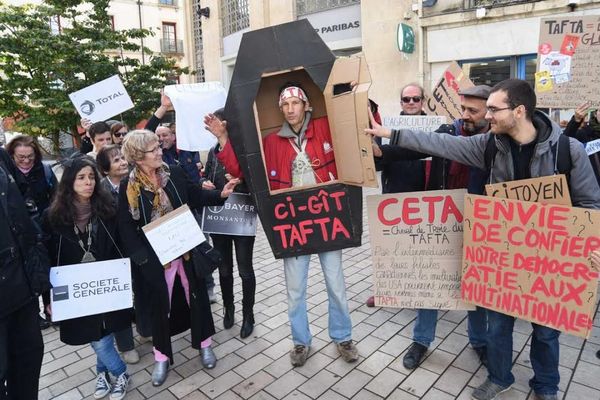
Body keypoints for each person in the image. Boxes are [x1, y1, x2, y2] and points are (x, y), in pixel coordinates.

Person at [366, 79, 600, 400]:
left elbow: (591, 204)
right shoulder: (489, 145)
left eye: (493, 109)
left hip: (550, 259)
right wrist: (393, 133)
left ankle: (546, 386)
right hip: (503, 256)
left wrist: (592, 244)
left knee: (546, 332)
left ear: (519, 111)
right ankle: (499, 377)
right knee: (499, 326)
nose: (487, 116)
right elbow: (440, 145)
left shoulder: (567, 151)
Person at [205, 82, 359, 367]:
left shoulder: (326, 129)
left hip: (329, 220)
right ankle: (301, 341)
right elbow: (242, 171)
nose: (290, 110)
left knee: (336, 285)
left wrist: (351, 97)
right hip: (293, 225)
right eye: (285, 105)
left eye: (295, 103)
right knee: (295, 290)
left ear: (306, 105)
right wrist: (224, 139)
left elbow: (354, 134)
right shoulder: (271, 143)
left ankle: (342, 336)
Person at [372, 85, 493, 370]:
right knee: (431, 280)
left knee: (475, 285)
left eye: (472, 111)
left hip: (480, 222)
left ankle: (480, 342)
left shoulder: (497, 142)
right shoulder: (448, 132)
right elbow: (415, 147)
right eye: (463, 108)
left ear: (491, 112)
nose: (464, 115)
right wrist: (381, 151)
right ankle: (422, 340)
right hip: (443, 218)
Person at [117, 129, 239, 386]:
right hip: (154, 259)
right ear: (139, 156)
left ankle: (205, 345)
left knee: (197, 297)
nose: (160, 151)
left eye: (159, 146)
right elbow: (126, 227)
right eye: (153, 149)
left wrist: (220, 194)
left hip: (186, 251)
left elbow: (195, 196)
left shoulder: (174, 174)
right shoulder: (128, 187)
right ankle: (161, 357)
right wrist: (141, 259)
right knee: (161, 307)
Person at [42, 156, 130, 399]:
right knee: (97, 337)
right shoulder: (53, 217)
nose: (88, 182)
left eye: (91, 177)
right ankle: (120, 372)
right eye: (81, 178)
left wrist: (127, 277)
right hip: (75, 290)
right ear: (69, 182)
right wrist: (47, 297)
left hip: (106, 285)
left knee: (104, 331)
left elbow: (121, 244)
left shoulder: (108, 209)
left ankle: (106, 374)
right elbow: (47, 260)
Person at [201, 108, 257, 338]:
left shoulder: (245, 149)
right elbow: (207, 174)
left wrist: (238, 182)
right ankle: (229, 307)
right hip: (220, 216)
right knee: (224, 268)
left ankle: (248, 314)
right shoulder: (214, 151)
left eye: (220, 124)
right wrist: (205, 182)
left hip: (242, 215)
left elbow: (254, 180)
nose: (217, 129)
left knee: (245, 269)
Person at [0, 148, 49, 400]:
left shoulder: (0, 157)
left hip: (22, 286)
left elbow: (24, 200)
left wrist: (34, 236)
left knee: (29, 361)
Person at [5, 135, 57, 329]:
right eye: (21, 157)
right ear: (11, 156)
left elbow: (55, 196)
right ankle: (34, 314)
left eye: (30, 157)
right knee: (28, 272)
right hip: (21, 232)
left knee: (48, 269)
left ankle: (51, 308)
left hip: (44, 227)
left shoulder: (44, 171)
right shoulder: (6, 175)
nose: (26, 161)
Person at [96, 145, 141, 364]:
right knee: (120, 300)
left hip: (140, 248)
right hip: (114, 254)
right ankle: (126, 345)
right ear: (105, 170)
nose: (123, 162)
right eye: (116, 160)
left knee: (143, 292)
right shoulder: (99, 192)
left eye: (123, 158)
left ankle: (146, 329)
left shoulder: (137, 181)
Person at [563, 101, 600, 186]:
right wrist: (575, 121)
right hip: (593, 190)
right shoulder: (585, 134)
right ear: (595, 114)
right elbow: (564, 142)